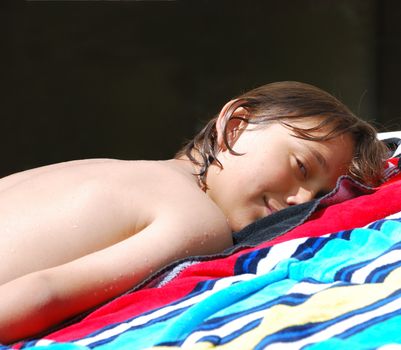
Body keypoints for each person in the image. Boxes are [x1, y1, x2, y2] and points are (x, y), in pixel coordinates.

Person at [0, 81, 388, 343]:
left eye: (319, 195)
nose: (301, 201)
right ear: (236, 125)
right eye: (301, 167)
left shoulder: (93, 166)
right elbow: (45, 293)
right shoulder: (196, 219)